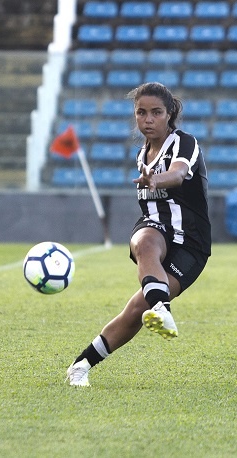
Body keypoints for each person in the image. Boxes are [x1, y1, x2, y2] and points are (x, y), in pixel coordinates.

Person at [66, 82, 211, 387]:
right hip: (154, 228)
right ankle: (162, 309)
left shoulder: (185, 143)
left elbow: (179, 173)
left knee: (136, 310)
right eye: (141, 113)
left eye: (156, 112)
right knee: (145, 242)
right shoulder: (142, 154)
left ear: (169, 114)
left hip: (191, 243)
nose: (148, 119)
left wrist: (157, 179)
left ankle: (82, 363)